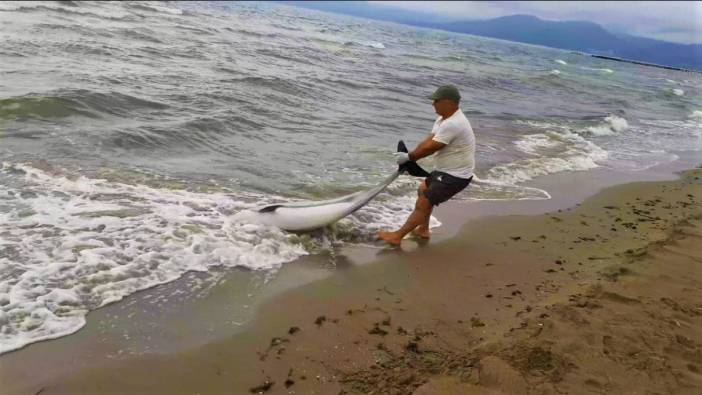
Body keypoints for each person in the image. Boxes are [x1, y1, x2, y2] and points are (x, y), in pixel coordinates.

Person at [378, 85, 475, 246]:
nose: (433, 104)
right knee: (423, 189)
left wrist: (409, 156)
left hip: (456, 176)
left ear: (449, 102)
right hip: (445, 171)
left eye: (436, 101)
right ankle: (423, 229)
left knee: (424, 202)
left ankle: (397, 236)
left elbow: (431, 147)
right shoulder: (443, 119)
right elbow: (428, 141)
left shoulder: (454, 123)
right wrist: (411, 160)